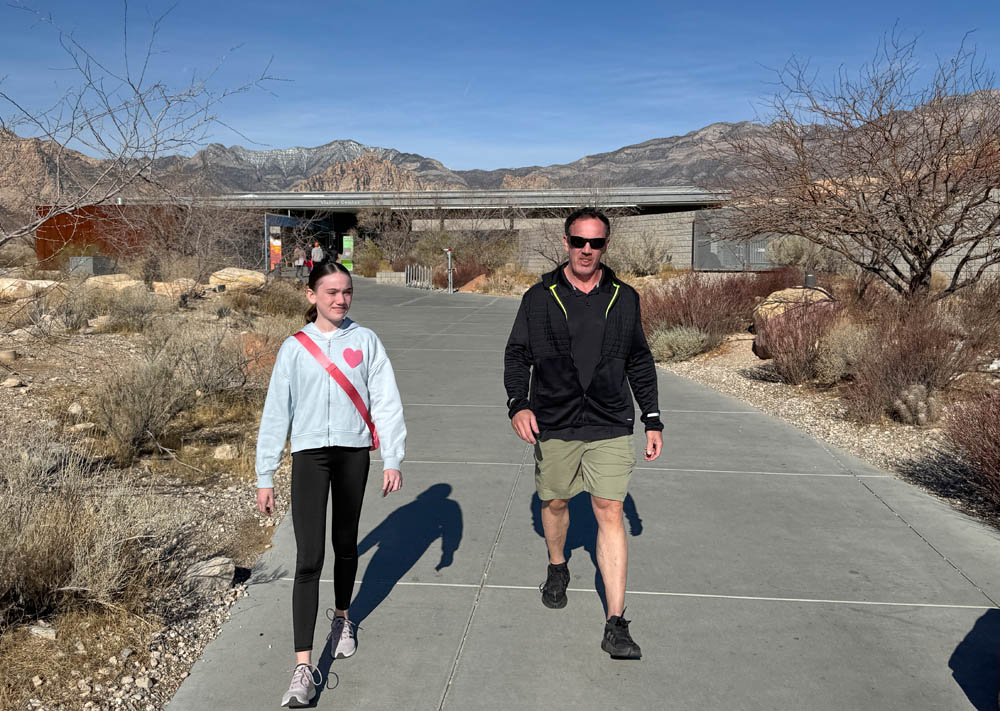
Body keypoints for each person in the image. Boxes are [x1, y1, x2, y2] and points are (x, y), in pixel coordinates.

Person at [503, 206, 663, 660]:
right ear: (567, 242)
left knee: (609, 509)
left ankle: (616, 621)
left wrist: (652, 418)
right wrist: (519, 404)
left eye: (596, 243)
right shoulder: (539, 297)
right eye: (580, 241)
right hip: (555, 419)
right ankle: (558, 565)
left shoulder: (624, 298)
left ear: (606, 246)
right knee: (555, 502)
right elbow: (517, 355)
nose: (587, 250)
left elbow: (639, 360)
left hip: (611, 419)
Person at [255, 261, 406, 707]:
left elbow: (386, 400)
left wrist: (391, 458)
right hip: (309, 455)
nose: (340, 300)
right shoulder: (293, 348)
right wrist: (265, 474)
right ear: (311, 296)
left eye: (347, 292)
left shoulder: (366, 341)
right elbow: (275, 413)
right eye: (331, 292)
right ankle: (303, 666)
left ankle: (342, 618)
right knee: (309, 557)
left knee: (345, 543)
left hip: (353, 452)